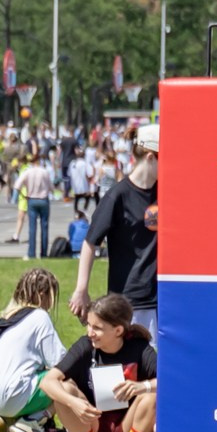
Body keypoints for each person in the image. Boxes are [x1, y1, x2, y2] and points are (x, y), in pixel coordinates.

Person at [43, 293, 156, 432]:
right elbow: (47, 381)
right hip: (89, 428)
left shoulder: (139, 348)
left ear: (118, 330)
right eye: (88, 324)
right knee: (63, 390)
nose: (90, 332)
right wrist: (74, 403)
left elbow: (172, 381)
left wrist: (141, 386)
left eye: (97, 328)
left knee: (152, 393)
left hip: (128, 430)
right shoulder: (85, 347)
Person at [72, 128, 160, 334]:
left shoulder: (164, 191)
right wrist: (81, 289)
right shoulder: (117, 196)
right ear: (150, 157)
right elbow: (90, 242)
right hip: (128, 300)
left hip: (160, 298)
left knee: (156, 365)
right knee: (129, 364)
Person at [0, 267, 65, 432]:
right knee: (64, 377)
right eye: (51, 297)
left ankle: (7, 423)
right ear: (41, 294)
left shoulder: (4, 318)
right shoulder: (40, 317)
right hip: (16, 396)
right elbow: (61, 362)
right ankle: (34, 421)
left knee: (31, 374)